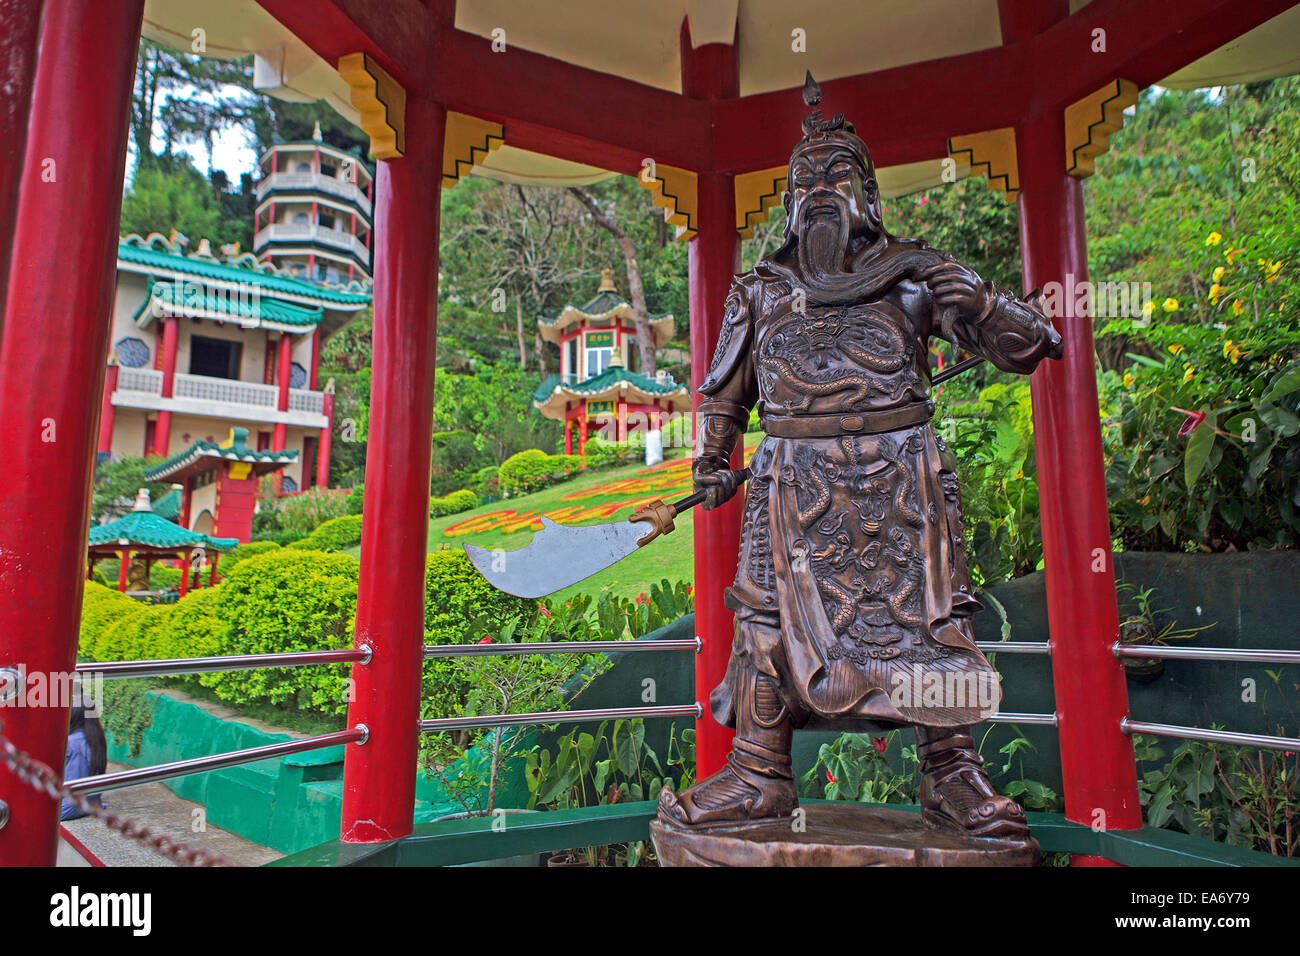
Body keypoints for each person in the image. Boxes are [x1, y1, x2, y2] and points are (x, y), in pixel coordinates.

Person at [658, 73, 1062, 838]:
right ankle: (757, 773)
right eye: (803, 181)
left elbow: (1023, 345)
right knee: (765, 621)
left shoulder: (914, 277)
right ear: (784, 204)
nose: (818, 192)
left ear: (868, 194)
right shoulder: (760, 290)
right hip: (790, 487)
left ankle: (952, 776)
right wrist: (713, 457)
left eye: (836, 176)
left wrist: (971, 291)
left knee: (930, 623)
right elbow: (725, 389)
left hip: (901, 482)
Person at [61, 694, 107, 821]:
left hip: (69, 808)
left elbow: (74, 780)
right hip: (93, 803)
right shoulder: (97, 738)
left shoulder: (72, 742)